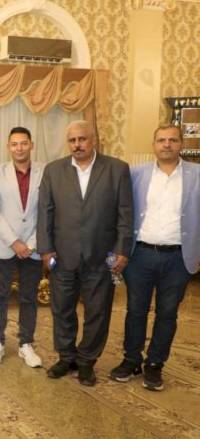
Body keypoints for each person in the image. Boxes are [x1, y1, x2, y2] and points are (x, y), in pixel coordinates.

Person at [37, 120, 133, 386]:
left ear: (94, 140)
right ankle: (66, 357)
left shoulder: (117, 169)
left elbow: (125, 213)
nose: (77, 145)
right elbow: (45, 213)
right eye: (72, 140)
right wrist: (46, 249)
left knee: (98, 312)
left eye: (82, 139)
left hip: (102, 256)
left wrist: (122, 249)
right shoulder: (53, 170)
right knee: (61, 309)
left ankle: (87, 361)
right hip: (62, 255)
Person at [109, 124, 200, 391]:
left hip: (178, 259)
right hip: (140, 256)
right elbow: (122, 212)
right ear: (154, 144)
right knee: (135, 310)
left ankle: (155, 364)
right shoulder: (136, 173)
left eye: (172, 140)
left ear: (181, 144)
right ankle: (132, 359)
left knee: (167, 314)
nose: (166, 145)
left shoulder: (196, 175)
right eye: (161, 140)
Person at [0, 127, 44, 367]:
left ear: (31, 145)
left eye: (23, 143)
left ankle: (26, 344)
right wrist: (14, 242)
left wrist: (30, 243)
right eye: (14, 144)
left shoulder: (45, 172)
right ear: (8, 147)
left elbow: (46, 211)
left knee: (29, 297)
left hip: (33, 247)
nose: (19, 148)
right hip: (4, 244)